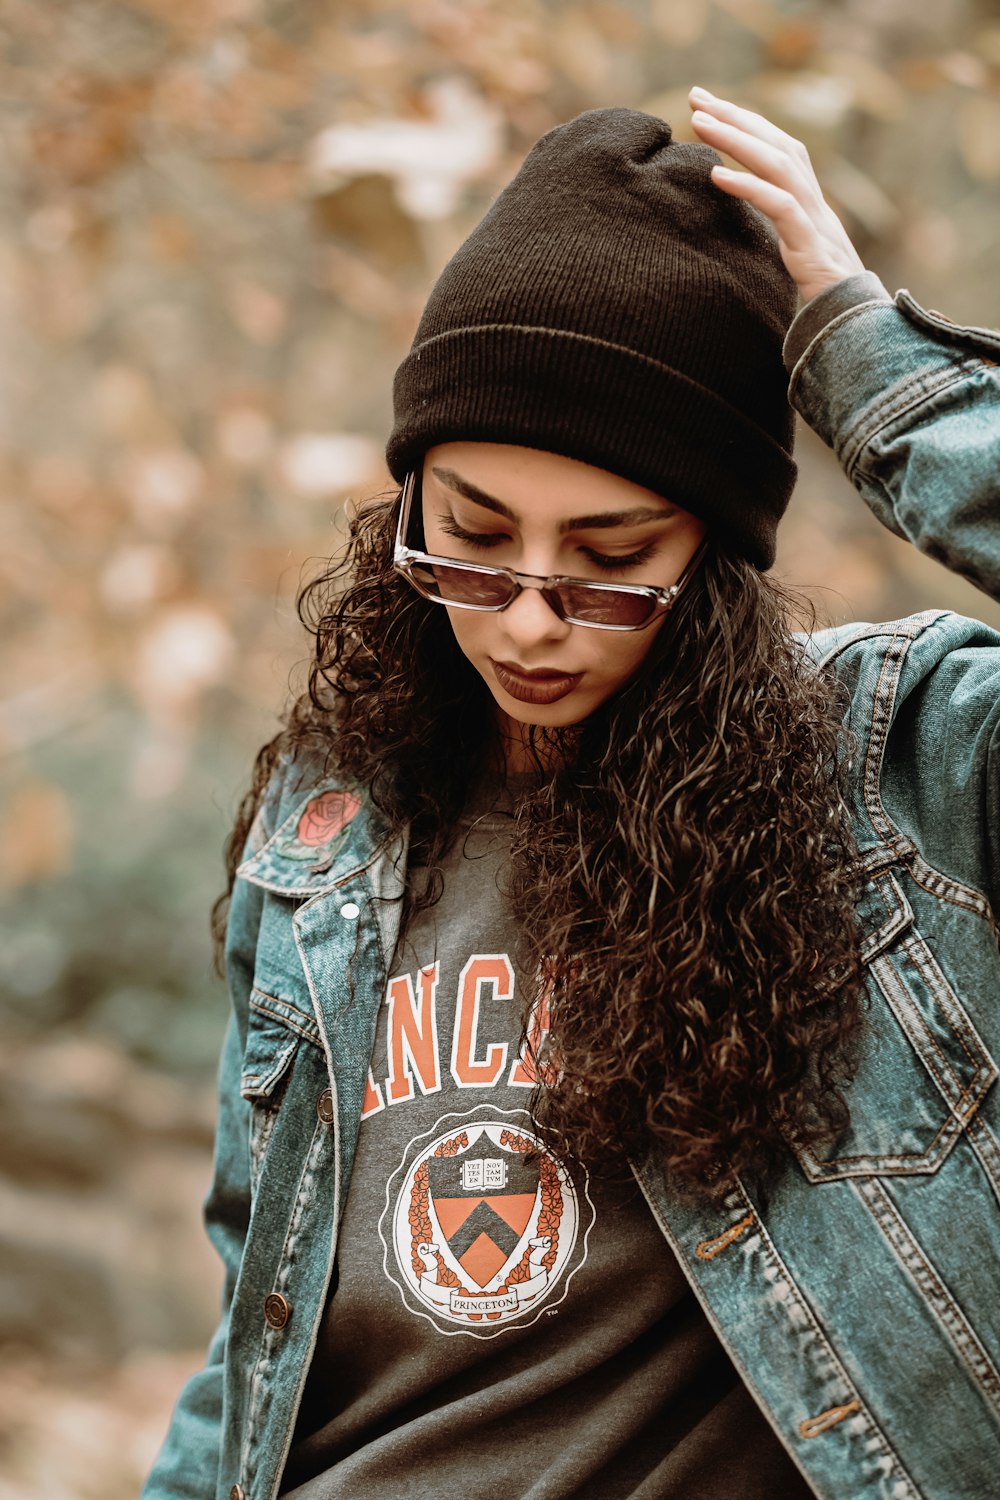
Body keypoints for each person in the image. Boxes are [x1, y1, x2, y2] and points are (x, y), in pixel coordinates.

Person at [142, 89, 1000, 1500]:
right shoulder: (327, 829)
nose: (529, 622)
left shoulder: (906, 765)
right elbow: (254, 1334)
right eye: (472, 539)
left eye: (609, 555)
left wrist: (870, 365)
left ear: (714, 558)